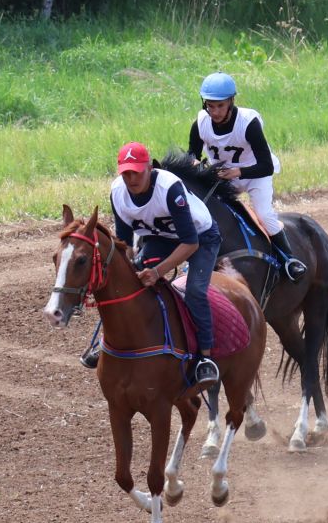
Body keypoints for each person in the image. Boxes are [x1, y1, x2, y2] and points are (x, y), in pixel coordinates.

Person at [82, 141, 223, 388]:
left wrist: (158, 271)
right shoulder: (118, 192)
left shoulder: (169, 188)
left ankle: (205, 359)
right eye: (126, 172)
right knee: (126, 285)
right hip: (161, 238)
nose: (131, 178)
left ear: (149, 167)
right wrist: (129, 271)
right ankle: (105, 342)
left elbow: (190, 244)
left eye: (136, 171)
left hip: (200, 237)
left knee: (195, 291)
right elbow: (124, 242)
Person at [186, 72, 307, 282]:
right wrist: (194, 164)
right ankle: (197, 261)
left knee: (264, 214)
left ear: (232, 101)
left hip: (254, 174)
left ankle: (289, 259)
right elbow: (191, 155)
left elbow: (266, 166)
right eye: (210, 106)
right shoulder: (200, 123)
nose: (214, 111)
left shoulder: (248, 123)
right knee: (204, 213)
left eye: (220, 106)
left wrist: (238, 172)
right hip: (223, 177)